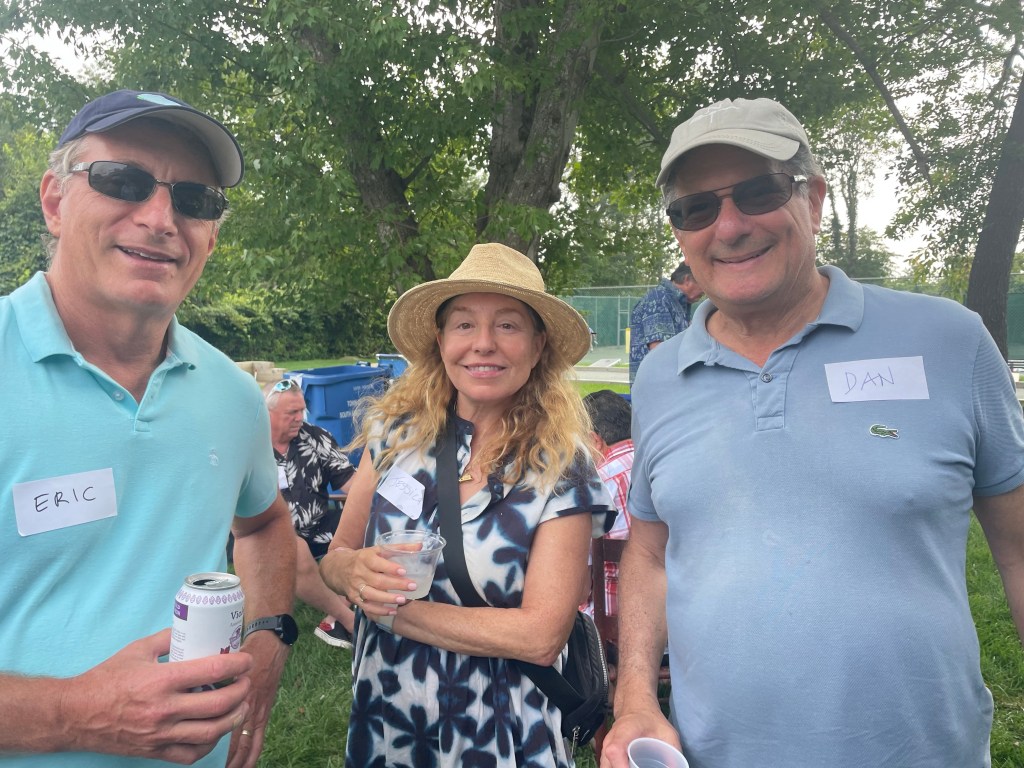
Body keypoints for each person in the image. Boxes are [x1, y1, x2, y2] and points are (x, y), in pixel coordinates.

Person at [601, 96, 1024, 768]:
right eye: (696, 208)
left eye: (758, 192)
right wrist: (634, 699)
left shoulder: (949, 340)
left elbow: (1018, 548)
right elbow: (650, 554)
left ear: (814, 198)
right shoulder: (659, 377)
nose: (728, 226)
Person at [0, 90, 297, 768]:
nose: (161, 218)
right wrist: (73, 713)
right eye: (122, 181)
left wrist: (269, 635)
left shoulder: (233, 396)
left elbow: (264, 524)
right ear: (54, 200)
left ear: (211, 236)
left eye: (194, 199)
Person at [319, 242, 615, 767]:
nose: (483, 344)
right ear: (440, 341)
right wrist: (348, 571)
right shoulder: (395, 435)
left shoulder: (561, 466)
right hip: (389, 710)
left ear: (538, 346)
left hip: (497, 727)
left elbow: (540, 636)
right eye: (463, 324)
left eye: (507, 325)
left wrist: (386, 611)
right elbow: (338, 552)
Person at [264, 378, 357, 648]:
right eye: (291, 413)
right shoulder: (248, 446)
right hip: (271, 532)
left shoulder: (315, 437)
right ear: (267, 413)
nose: (299, 418)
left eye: (302, 410)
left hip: (320, 525)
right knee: (297, 549)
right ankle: (348, 620)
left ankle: (333, 617)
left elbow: (350, 483)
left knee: (368, 525)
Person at [580, 390, 634, 619]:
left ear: (594, 440)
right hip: (671, 620)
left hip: (609, 620)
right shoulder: (661, 467)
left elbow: (580, 590)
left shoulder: (595, 487)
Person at [628, 261, 703, 385]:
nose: (705, 290)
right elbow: (659, 351)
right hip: (656, 386)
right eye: (703, 283)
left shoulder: (678, 302)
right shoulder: (659, 299)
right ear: (687, 279)